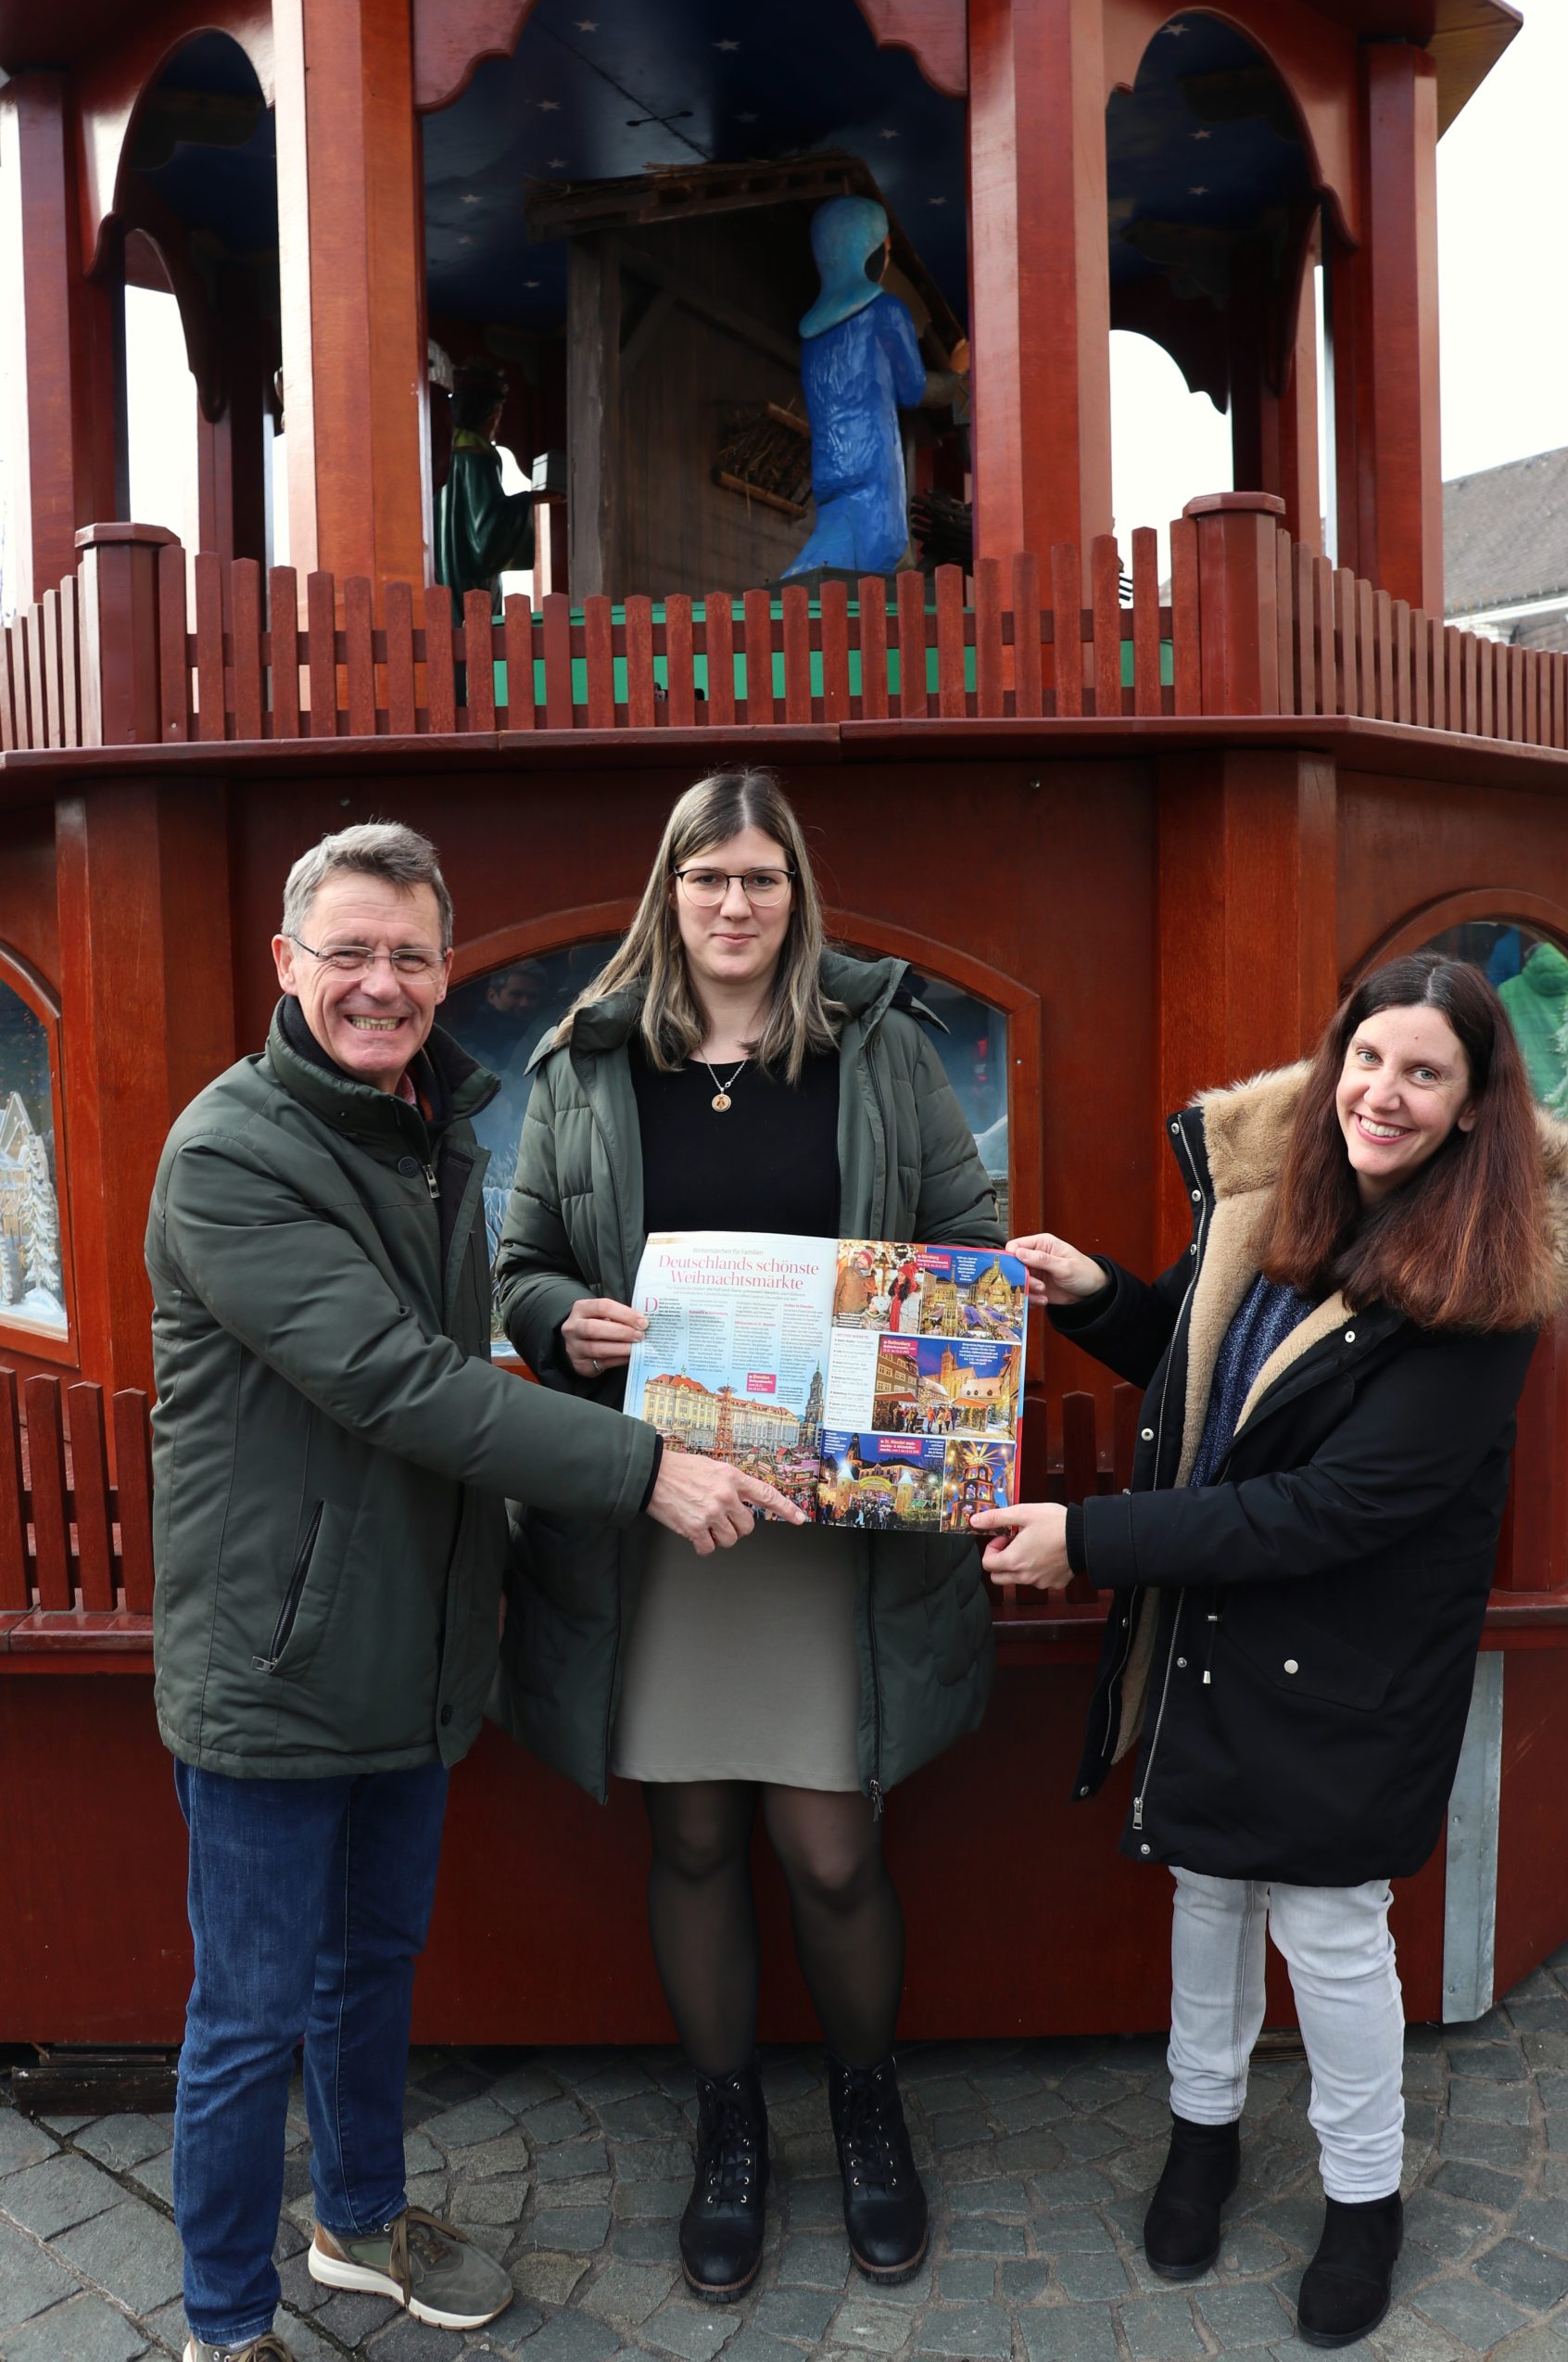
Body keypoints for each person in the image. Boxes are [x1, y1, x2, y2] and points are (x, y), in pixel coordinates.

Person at [146, 820, 794, 2362]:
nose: (382, 983)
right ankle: (226, 2325)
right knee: (244, 2022)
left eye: (412, 956)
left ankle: (359, 2225)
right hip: (276, 1659)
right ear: (286, 964)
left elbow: (467, 1351)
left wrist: (568, 1336)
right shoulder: (231, 1151)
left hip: (416, 1639)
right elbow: (392, 1385)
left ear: (446, 973)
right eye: (351, 951)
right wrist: (642, 1469)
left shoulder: (426, 1127)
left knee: (373, 1969)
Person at [970, 953, 1568, 2351]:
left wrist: (1086, 1542)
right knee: (1204, 1892)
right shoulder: (1277, 1202)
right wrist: (1096, 1298)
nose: (1382, 1093)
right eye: (1366, 1060)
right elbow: (1219, 1389)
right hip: (1221, 1627)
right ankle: (1198, 2138)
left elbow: (1333, 1504)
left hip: (1345, 1658)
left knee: (1328, 1932)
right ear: (1334, 1065)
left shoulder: (1485, 1281)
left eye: (1423, 1074)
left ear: (1470, 1108)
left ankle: (1363, 2197)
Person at [491, 765, 999, 2301]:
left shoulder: (882, 1055)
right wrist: (551, 1319)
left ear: (795, 896)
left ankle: (863, 2102)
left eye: (760, 879)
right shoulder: (585, 1062)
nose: (733, 905)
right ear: (670, 891)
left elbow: (966, 1245)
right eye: (707, 878)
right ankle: (727, 2127)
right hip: (658, 1516)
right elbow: (519, 1261)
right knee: (694, 1831)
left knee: (830, 1848)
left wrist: (905, 1351)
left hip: (829, 1523)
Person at [781, 196, 967, 584]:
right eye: (884, 248)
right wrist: (955, 374)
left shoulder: (812, 334)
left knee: (853, 560)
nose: (887, 257)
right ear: (865, 251)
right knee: (874, 555)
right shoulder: (885, 312)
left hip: (831, 470)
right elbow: (914, 390)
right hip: (874, 466)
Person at [433, 370, 556, 607]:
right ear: (489, 413)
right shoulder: (478, 455)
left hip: (440, 565)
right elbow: (486, 532)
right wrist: (529, 500)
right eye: (498, 415)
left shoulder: (442, 450)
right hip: (468, 575)